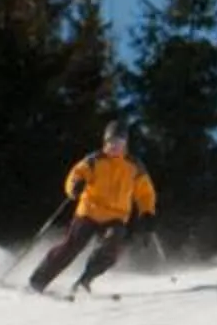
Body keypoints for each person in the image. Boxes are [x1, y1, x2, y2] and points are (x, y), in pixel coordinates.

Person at [26, 122, 157, 295]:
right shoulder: (94, 160)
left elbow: (145, 193)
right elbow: (76, 174)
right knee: (72, 246)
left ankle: (85, 281)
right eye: (111, 141)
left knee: (113, 244)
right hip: (89, 212)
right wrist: (74, 186)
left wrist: (147, 212)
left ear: (126, 143)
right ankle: (37, 282)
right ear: (105, 141)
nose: (115, 146)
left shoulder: (134, 166)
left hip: (116, 217)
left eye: (119, 142)